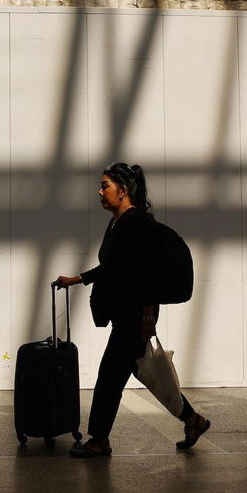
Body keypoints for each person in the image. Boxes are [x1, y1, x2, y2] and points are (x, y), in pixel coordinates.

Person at [53, 162, 211, 457]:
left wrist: (148, 318)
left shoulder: (135, 224)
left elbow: (146, 274)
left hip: (135, 316)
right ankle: (193, 419)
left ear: (123, 191)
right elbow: (114, 267)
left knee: (109, 379)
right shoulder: (118, 223)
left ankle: (99, 440)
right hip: (127, 314)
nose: (99, 192)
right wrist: (80, 278)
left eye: (105, 186)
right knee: (149, 375)